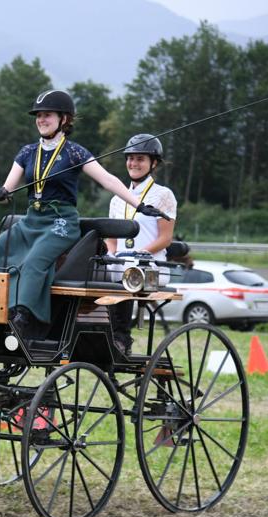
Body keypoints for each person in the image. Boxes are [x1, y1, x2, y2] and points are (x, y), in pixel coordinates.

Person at [0, 90, 169, 338]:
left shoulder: (75, 153)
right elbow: (9, 186)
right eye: (38, 116)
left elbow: (108, 180)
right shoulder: (27, 152)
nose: (41, 120)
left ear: (64, 119)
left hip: (60, 224)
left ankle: (22, 316)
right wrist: (2, 192)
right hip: (31, 221)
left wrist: (139, 205)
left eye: (47, 115)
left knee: (34, 262)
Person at [105, 134, 178, 354]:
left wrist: (139, 253)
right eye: (130, 158)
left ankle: (122, 338)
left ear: (153, 163)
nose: (133, 164)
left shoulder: (163, 195)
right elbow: (111, 237)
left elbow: (165, 238)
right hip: (123, 262)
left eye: (140, 159)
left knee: (130, 272)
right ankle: (99, 335)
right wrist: (110, 254)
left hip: (152, 266)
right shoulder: (117, 198)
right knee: (99, 272)